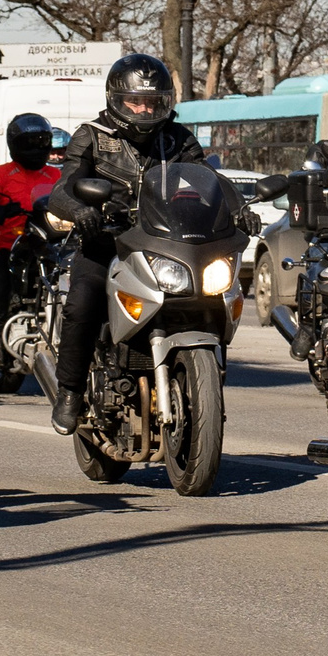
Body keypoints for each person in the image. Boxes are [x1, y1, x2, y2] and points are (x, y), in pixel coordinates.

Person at [44, 54, 212, 435]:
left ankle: (201, 381)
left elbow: (206, 179)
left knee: (206, 296)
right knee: (83, 301)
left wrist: (236, 209)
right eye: (136, 101)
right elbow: (62, 189)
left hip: (165, 243)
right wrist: (79, 210)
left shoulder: (178, 139)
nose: (144, 109)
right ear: (116, 99)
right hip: (107, 243)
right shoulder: (91, 135)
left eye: (152, 102)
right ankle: (69, 390)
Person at [0, 112, 63, 351]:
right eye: (29, 142)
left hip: (53, 242)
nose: (35, 147)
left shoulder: (56, 174)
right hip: (11, 242)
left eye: (40, 141)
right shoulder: (2, 174)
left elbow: (74, 197)